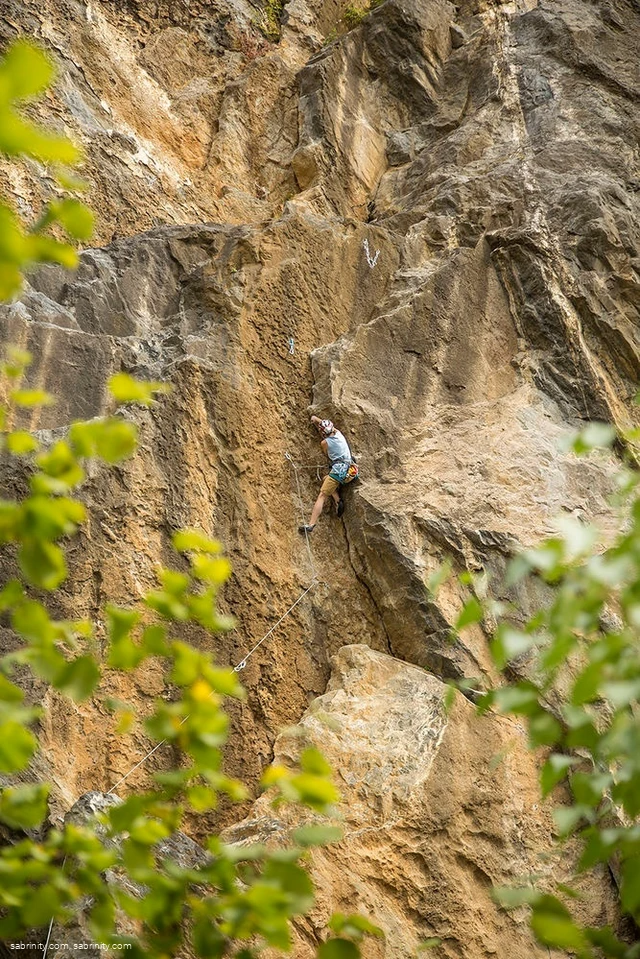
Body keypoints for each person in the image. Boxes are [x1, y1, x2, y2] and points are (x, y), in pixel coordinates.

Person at [299, 416, 358, 534]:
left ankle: (311, 525)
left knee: (322, 495)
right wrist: (316, 419)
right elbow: (328, 428)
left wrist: (315, 421)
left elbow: (327, 454)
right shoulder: (339, 434)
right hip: (350, 469)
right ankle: (338, 501)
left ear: (322, 432)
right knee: (326, 479)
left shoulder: (325, 443)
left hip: (339, 471)